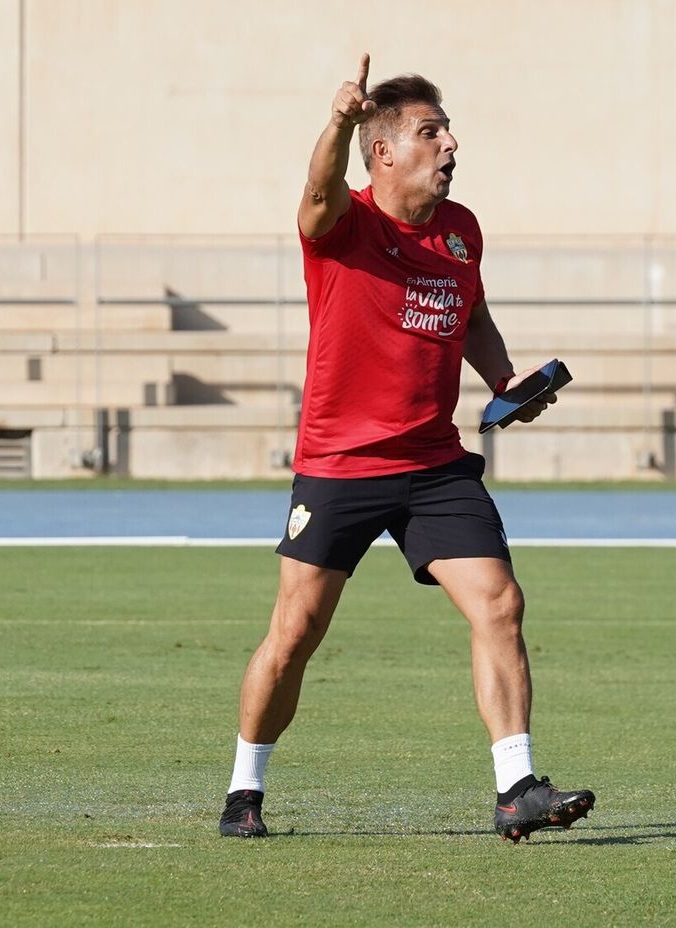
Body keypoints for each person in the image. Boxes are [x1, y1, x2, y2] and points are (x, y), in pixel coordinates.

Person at [218, 54, 595, 840]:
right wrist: (337, 123)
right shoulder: (343, 225)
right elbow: (316, 191)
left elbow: (472, 313)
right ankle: (244, 790)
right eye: (431, 132)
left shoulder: (461, 231)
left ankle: (516, 787)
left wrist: (506, 383)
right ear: (383, 151)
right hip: (341, 464)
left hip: (434, 464)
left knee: (500, 602)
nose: (451, 143)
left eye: (448, 130)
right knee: (295, 635)